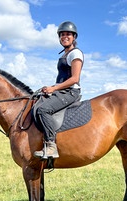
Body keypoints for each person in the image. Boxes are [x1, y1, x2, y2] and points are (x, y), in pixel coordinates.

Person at [34, 21, 84, 159]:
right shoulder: (64, 55)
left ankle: (51, 146)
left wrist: (54, 88)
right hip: (62, 91)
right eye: (62, 34)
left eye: (68, 34)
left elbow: (74, 79)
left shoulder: (76, 53)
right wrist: (50, 89)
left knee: (43, 109)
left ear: (74, 37)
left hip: (71, 92)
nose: (64, 36)